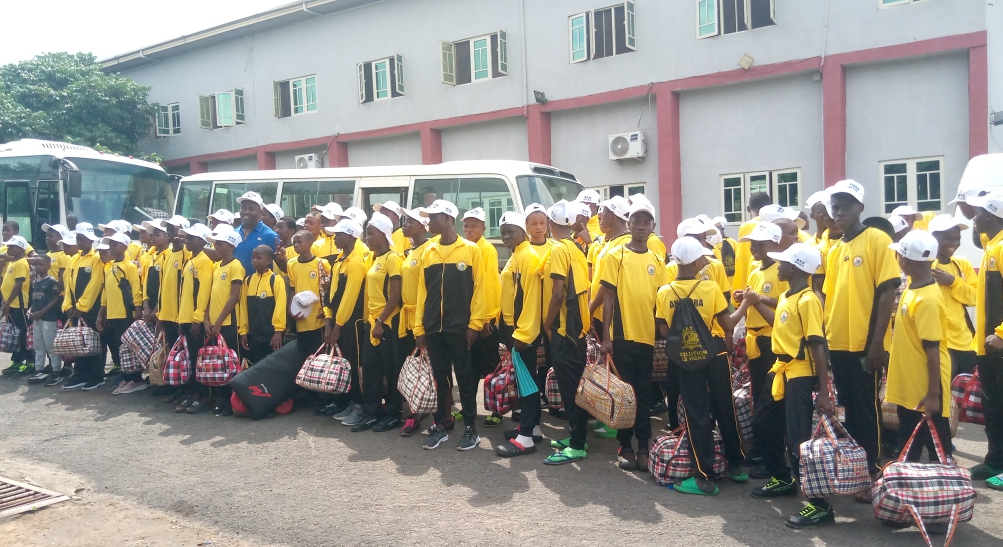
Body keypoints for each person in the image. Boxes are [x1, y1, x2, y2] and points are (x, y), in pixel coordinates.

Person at [745, 243, 835, 529]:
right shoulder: (786, 295)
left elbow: (817, 345)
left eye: (783, 263)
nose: (778, 266)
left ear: (795, 268)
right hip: (780, 370)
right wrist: (756, 302)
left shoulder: (808, 300)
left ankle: (819, 505)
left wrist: (823, 391)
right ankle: (783, 478)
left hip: (799, 373)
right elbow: (780, 324)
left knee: (799, 440)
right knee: (763, 424)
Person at [822, 180, 900, 494]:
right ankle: (855, 471)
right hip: (837, 342)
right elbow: (830, 297)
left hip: (866, 344)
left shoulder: (877, 239)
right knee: (848, 408)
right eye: (835, 207)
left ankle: (872, 471)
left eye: (846, 206)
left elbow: (887, 292)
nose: (839, 212)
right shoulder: (835, 248)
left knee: (867, 410)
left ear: (860, 208)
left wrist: (877, 343)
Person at [656, 236, 746, 495]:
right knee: (724, 406)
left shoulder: (664, 292)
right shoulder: (711, 288)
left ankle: (704, 476)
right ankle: (736, 465)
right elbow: (727, 325)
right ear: (696, 262)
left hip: (686, 359)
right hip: (715, 353)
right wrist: (746, 305)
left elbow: (664, 331)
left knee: (696, 413)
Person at [600, 199, 668, 471]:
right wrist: (606, 337)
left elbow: (661, 301)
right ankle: (625, 446)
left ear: (653, 226)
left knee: (643, 394)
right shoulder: (615, 255)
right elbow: (607, 298)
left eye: (646, 221)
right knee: (626, 395)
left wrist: (663, 333)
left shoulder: (657, 260)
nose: (641, 226)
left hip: (647, 338)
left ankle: (643, 446)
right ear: (628, 224)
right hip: (622, 336)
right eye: (636, 221)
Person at [414, 199, 486, 451]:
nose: (429, 222)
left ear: (448, 218)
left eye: (433, 217)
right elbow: (422, 293)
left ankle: (470, 428)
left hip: (460, 328)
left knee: (465, 378)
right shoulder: (429, 251)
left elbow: (480, 289)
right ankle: (440, 425)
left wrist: (475, 324)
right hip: (433, 327)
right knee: (439, 378)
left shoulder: (471, 250)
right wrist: (419, 328)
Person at [885, 230, 953, 462]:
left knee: (938, 449)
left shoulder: (928, 300)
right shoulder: (913, 288)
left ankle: (946, 482)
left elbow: (932, 350)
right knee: (909, 445)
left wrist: (933, 394)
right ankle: (907, 481)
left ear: (905, 260)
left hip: (926, 388)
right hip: (911, 386)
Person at [539, 202, 592, 465]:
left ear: (551, 223)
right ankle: (575, 437)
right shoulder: (576, 247)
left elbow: (558, 295)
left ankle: (578, 445)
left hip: (564, 330)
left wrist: (546, 324)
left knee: (571, 390)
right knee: (573, 387)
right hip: (577, 329)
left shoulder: (559, 249)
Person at [494, 210, 544, 457]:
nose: (506, 237)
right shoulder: (518, 255)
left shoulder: (528, 257)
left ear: (523, 232)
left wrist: (523, 334)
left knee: (527, 382)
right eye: (503, 233)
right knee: (527, 379)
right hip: (515, 329)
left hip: (524, 332)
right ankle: (532, 428)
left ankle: (525, 438)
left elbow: (532, 299)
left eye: (511, 232)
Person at [355, 213, 404, 432]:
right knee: (370, 369)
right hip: (372, 322)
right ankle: (371, 411)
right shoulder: (374, 259)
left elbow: (395, 295)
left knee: (390, 369)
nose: (367, 237)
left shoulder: (392, 258)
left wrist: (380, 321)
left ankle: (393, 413)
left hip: (387, 323)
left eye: (371, 233)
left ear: (384, 235)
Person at [734, 222, 786, 420]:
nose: (754, 248)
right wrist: (745, 298)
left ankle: (773, 433)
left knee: (772, 393)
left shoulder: (782, 270)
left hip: (770, 337)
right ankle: (762, 431)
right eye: (752, 244)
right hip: (754, 339)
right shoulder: (755, 271)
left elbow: (786, 303)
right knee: (757, 390)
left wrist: (758, 298)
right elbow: (752, 301)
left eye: (760, 244)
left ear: (774, 244)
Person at [968, 190, 1003, 487]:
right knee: (994, 408)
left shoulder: (1002, 247)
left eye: (978, 212)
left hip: (999, 345)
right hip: (988, 348)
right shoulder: (991, 244)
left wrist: (1002, 333)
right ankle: (995, 461)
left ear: (991, 215)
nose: (973, 217)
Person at [324, 220, 369, 427]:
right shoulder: (339, 261)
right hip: (338, 321)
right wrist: (329, 321)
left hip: (352, 322)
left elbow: (350, 298)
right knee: (345, 363)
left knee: (355, 362)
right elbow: (331, 295)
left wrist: (338, 325)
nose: (335, 238)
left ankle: (360, 404)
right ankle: (350, 401)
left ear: (351, 236)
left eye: (339, 235)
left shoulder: (356, 263)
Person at [461, 207, 502, 422]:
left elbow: (489, 285)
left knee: (490, 366)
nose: (469, 229)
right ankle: (468, 409)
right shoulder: (465, 248)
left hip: (484, 318)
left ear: (483, 228)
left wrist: (486, 318)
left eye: (474, 226)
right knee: (469, 367)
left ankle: (497, 410)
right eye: (466, 225)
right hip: (469, 317)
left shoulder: (487, 249)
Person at [286, 230, 333, 414]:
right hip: (301, 319)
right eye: (294, 243)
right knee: (304, 357)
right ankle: (307, 394)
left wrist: (325, 311)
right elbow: (292, 288)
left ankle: (322, 397)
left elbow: (327, 290)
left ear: (310, 243)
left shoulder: (321, 264)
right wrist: (291, 309)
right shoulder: (292, 264)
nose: (296, 245)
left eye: (300, 242)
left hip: (318, 320)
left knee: (319, 358)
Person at [927, 215, 978, 377]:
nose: (954, 243)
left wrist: (953, 282)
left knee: (968, 389)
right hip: (940, 342)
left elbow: (975, 298)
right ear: (933, 237)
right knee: (942, 388)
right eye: (947, 238)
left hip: (965, 341)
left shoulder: (962, 264)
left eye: (957, 238)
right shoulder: (924, 265)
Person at [396, 206, 432, 436]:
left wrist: (422, 326)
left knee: (426, 370)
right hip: (407, 319)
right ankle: (414, 410)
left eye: (409, 221)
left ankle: (423, 415)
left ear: (422, 226)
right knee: (411, 369)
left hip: (422, 319)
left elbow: (427, 291)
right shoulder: (410, 251)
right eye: (404, 220)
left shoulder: (428, 251)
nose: (404, 224)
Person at [204, 229, 245, 414]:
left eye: (220, 244)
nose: (216, 247)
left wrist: (219, 321)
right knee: (217, 363)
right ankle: (220, 398)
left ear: (231, 246)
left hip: (228, 322)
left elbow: (234, 297)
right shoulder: (216, 266)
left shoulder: (236, 266)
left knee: (230, 363)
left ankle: (232, 401)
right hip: (213, 323)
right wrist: (206, 319)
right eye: (215, 244)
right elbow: (210, 295)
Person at [175, 224, 215, 413]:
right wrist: (181, 320)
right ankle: (193, 393)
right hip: (186, 318)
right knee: (191, 359)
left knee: (200, 360)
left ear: (201, 241)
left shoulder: (204, 261)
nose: (186, 241)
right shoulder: (191, 260)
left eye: (190, 238)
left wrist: (197, 318)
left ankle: (203, 396)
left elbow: (204, 291)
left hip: (195, 320)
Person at [97, 233, 143, 394]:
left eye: (115, 244)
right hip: (113, 314)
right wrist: (101, 313)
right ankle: (127, 377)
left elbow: (136, 289)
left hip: (126, 313)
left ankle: (136, 379)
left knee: (130, 348)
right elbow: (105, 292)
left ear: (124, 246)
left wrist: (138, 311)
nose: (111, 247)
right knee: (120, 348)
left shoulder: (129, 266)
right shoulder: (108, 267)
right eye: (110, 244)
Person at [61, 223, 105, 390]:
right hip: (74, 310)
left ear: (91, 240)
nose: (79, 242)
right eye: (78, 238)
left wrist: (82, 306)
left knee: (93, 344)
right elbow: (68, 285)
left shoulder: (96, 259)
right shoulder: (74, 259)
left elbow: (95, 285)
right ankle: (80, 375)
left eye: (83, 239)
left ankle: (96, 376)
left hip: (91, 310)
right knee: (79, 343)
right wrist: (68, 305)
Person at [239, 245, 286, 365]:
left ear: (269, 261)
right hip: (253, 334)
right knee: (253, 365)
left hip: (270, 335)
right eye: (253, 257)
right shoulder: (248, 280)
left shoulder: (275, 279)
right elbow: (243, 307)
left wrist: (278, 331)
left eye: (259, 258)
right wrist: (243, 331)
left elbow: (280, 306)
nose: (254, 260)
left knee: (269, 366)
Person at [24, 255, 62, 385]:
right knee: (38, 345)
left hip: (48, 318)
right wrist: (31, 310)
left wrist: (42, 312)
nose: (38, 267)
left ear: (49, 266)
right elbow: (35, 300)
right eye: (36, 264)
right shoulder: (35, 282)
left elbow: (56, 299)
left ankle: (56, 372)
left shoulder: (51, 282)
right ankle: (39, 370)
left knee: (51, 346)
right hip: (36, 318)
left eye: (41, 264)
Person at [732, 192, 773, 306]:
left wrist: (739, 292)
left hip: (753, 281)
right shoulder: (777, 223)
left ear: (748, 208)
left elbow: (743, 260)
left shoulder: (748, 226)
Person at [1, 235, 32, 376]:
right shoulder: (13, 262)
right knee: (16, 334)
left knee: (24, 334)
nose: (8, 248)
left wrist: (7, 303)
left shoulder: (21, 263)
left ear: (20, 248)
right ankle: (17, 360)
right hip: (10, 305)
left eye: (11, 246)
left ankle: (30, 362)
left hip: (19, 305)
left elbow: (18, 285)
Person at [233, 192, 279, 273]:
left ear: (260, 213)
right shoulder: (233, 233)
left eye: (251, 209)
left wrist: (282, 260)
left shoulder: (271, 236)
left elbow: (281, 266)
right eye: (243, 208)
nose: (246, 212)